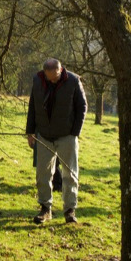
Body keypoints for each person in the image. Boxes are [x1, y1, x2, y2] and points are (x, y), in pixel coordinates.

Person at [26, 58, 86, 224]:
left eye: (55, 77)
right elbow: (33, 106)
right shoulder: (38, 80)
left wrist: (75, 133)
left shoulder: (74, 81)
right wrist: (30, 132)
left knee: (70, 174)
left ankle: (69, 211)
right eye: (49, 77)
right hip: (44, 134)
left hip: (67, 135)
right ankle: (45, 209)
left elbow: (82, 106)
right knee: (42, 174)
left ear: (61, 70)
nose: (52, 80)